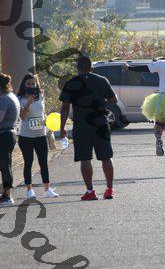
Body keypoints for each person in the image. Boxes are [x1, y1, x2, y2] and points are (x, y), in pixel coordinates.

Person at [59, 56, 118, 200]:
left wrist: (62, 127)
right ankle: (109, 189)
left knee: (85, 158)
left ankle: (90, 191)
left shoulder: (71, 83)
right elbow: (113, 100)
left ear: (77, 68)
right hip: (100, 123)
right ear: (91, 68)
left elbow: (65, 107)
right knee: (106, 157)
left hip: (81, 125)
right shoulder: (102, 80)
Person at [17, 74, 59, 199]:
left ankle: (47, 189)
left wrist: (49, 125)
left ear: (36, 85)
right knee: (28, 162)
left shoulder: (40, 97)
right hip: (26, 136)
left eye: (33, 84)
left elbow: (42, 114)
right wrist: (28, 103)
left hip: (40, 135)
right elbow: (22, 117)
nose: (31, 86)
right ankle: (29, 190)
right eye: (28, 84)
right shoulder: (20, 99)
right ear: (24, 85)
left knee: (43, 162)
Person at [0, 73, 20, 206]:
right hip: (9, 134)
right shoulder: (11, 96)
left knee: (4, 165)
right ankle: (6, 194)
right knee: (5, 164)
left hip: (4, 135)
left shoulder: (4, 99)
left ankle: (7, 195)